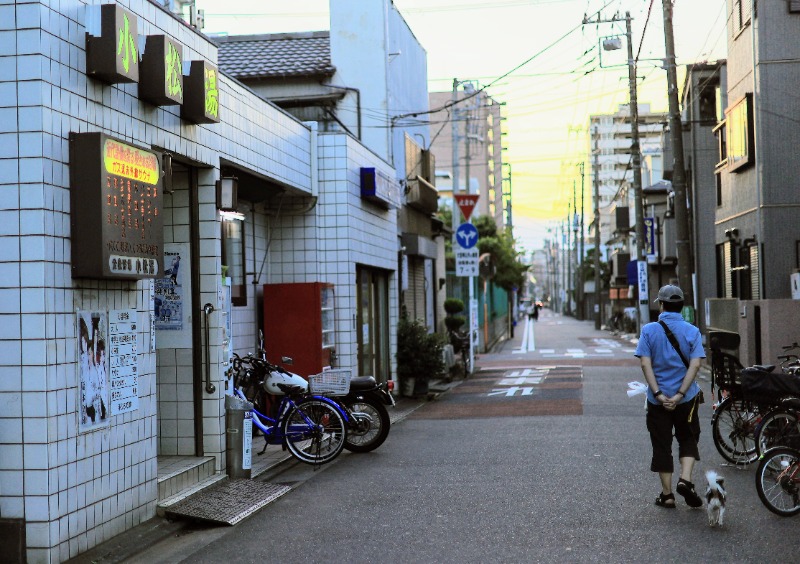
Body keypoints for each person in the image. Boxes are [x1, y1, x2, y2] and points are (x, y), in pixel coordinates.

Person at [634, 284, 705, 509]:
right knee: (688, 437)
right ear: (681, 306)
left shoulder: (649, 330)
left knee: (661, 444)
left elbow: (645, 362)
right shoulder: (692, 331)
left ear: (661, 305)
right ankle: (686, 479)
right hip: (686, 399)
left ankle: (667, 495)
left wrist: (658, 393)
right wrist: (680, 394)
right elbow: (696, 364)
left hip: (658, 401)